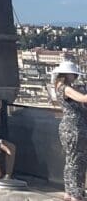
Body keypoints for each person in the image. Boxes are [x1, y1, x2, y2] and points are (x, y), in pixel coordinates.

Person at [52, 60, 87, 201]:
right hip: (74, 127)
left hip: (69, 126)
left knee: (71, 160)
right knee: (77, 161)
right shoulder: (65, 88)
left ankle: (69, 192)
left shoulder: (59, 87)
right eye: (74, 74)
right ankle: (76, 193)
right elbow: (84, 98)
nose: (75, 77)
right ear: (67, 74)